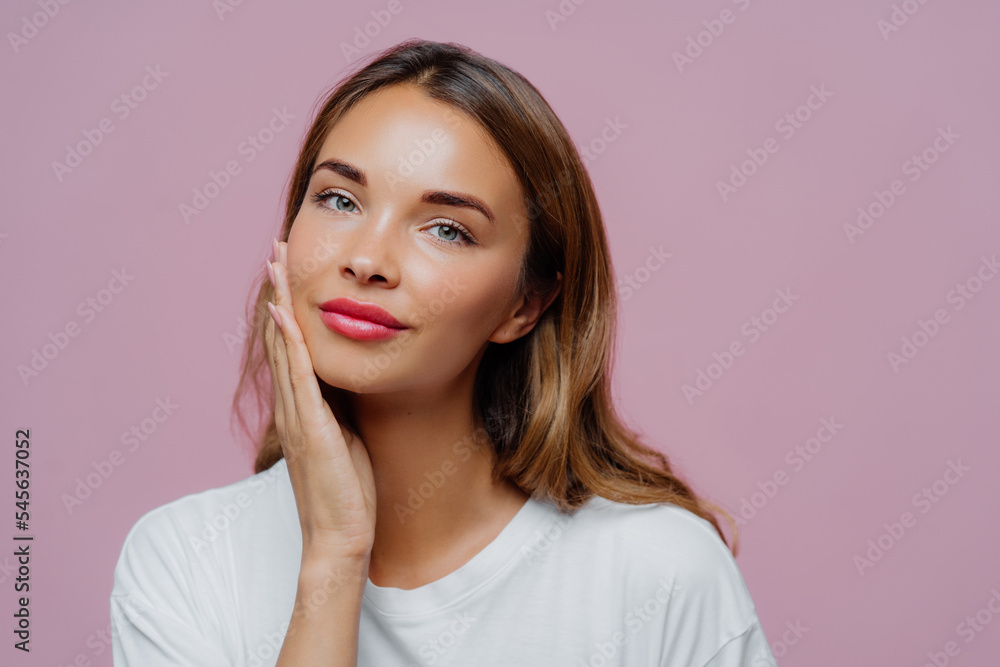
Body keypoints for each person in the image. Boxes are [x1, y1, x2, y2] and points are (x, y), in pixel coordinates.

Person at [110, 38, 777, 666]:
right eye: (339, 198)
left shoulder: (659, 572)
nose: (367, 259)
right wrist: (334, 558)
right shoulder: (186, 560)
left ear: (525, 305)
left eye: (448, 230)